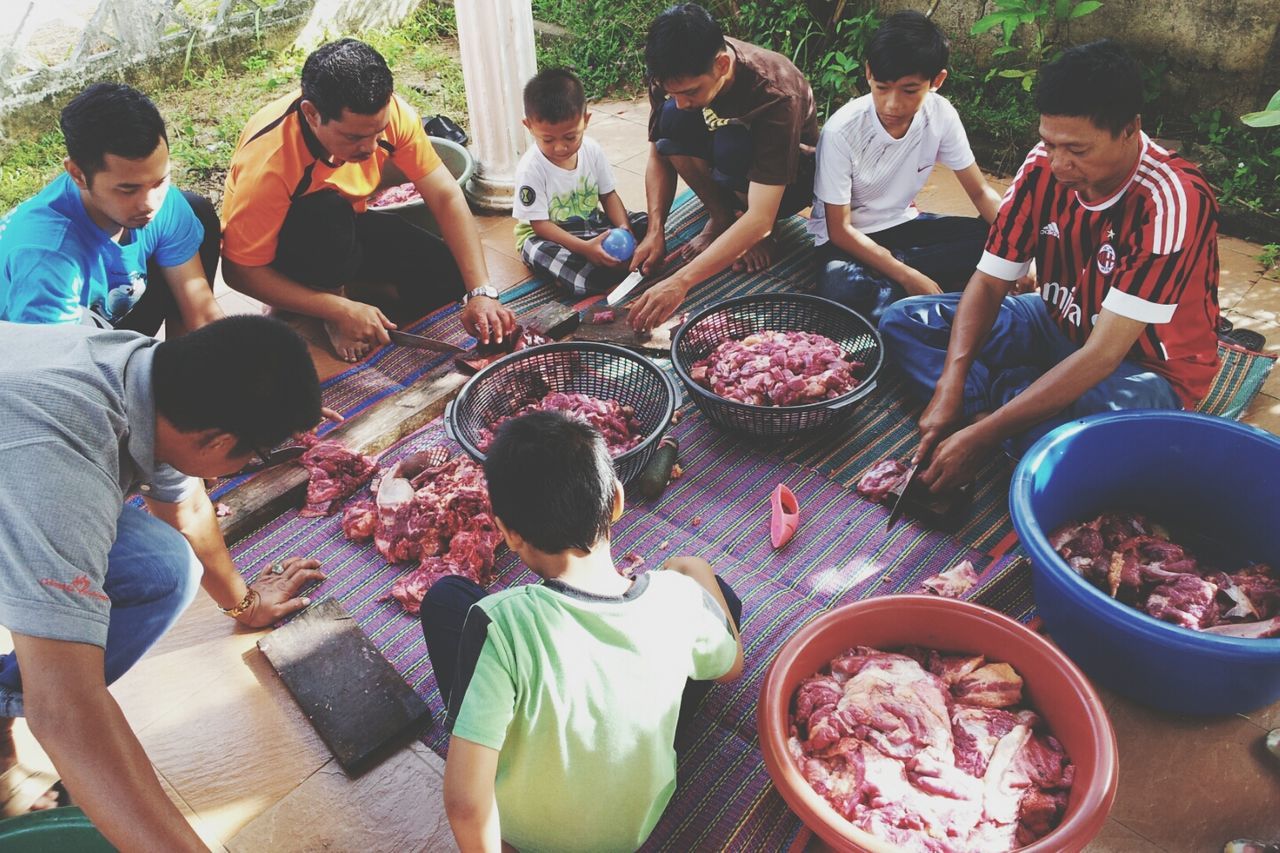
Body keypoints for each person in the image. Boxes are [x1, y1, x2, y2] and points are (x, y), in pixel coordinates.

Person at [0, 315, 328, 849]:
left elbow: (190, 511)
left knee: (163, 569)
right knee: (60, 692)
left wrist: (246, 605)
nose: (249, 465)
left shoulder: (150, 376)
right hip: (24, 463)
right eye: (255, 454)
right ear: (219, 439)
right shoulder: (58, 476)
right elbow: (66, 713)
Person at [879, 40, 1221, 492]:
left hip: (1144, 368)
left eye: (1077, 149)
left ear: (1130, 129)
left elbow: (1102, 355)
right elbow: (987, 283)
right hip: (1055, 322)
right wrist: (951, 381)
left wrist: (981, 435)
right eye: (1049, 142)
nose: (1059, 163)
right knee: (903, 319)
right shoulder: (1042, 167)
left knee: (1078, 441)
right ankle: (997, 407)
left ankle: (1005, 412)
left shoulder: (1171, 198)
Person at [421, 411, 743, 852]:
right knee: (721, 601)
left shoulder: (502, 621)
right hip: (630, 829)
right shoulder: (676, 598)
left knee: (446, 599)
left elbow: (465, 803)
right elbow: (731, 667)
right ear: (616, 500)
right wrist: (693, 571)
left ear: (509, 535)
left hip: (527, 834)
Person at [220, 38, 516, 363]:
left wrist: (480, 291)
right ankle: (325, 300)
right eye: (355, 137)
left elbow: (445, 195)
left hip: (349, 223)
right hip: (294, 241)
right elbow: (239, 271)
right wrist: (337, 308)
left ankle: (336, 291)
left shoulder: (392, 115)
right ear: (312, 114)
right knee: (323, 212)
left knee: (449, 280)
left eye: (378, 133)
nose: (372, 147)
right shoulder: (270, 163)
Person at [628, 3, 818, 330]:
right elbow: (659, 151)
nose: (682, 99)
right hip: (726, 166)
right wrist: (655, 230)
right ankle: (722, 217)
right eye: (673, 91)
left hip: (787, 181)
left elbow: (762, 217)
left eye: (690, 91)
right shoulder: (672, 72)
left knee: (733, 144)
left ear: (722, 64)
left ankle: (748, 232)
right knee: (673, 118)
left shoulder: (774, 91)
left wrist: (682, 281)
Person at [810, 11, 1008, 323]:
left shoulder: (941, 115)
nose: (892, 104)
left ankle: (905, 297)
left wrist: (1018, 253)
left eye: (909, 90)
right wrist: (908, 275)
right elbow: (840, 229)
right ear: (868, 74)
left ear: (937, 81)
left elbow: (982, 192)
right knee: (842, 291)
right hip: (851, 244)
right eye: (882, 87)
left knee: (994, 239)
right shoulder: (841, 131)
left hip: (906, 230)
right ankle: (930, 294)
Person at [0, 83, 223, 336]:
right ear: (78, 175)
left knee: (197, 211)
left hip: (104, 324)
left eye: (159, 181)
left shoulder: (163, 204)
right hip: (36, 349)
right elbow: (53, 369)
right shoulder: (46, 254)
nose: (150, 203)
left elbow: (202, 314)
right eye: (128, 190)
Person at [514, 68, 649, 296]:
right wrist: (585, 249)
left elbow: (608, 196)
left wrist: (624, 229)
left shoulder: (592, 151)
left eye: (570, 137)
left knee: (646, 223)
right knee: (542, 253)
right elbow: (540, 225)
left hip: (591, 225)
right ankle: (604, 274)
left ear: (585, 121)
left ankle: (608, 267)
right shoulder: (531, 167)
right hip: (550, 235)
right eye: (547, 139)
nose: (560, 147)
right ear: (529, 126)